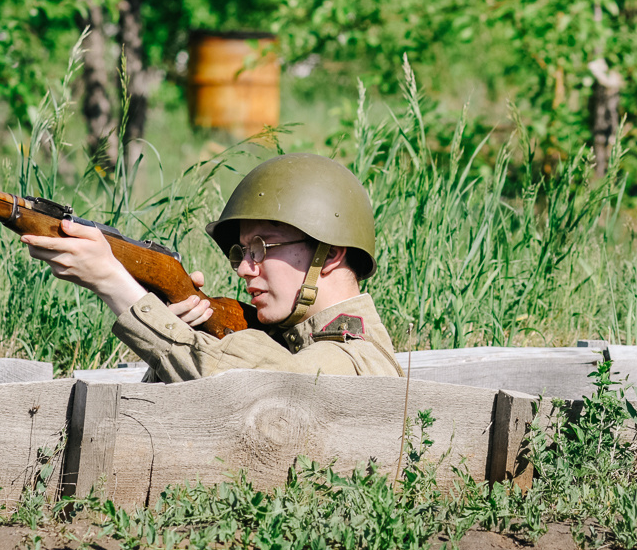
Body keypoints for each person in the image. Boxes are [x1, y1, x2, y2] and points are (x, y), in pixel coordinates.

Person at [23, 153, 400, 381]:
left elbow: (247, 387)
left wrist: (114, 284)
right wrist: (186, 329)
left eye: (262, 248)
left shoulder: (354, 358)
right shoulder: (291, 345)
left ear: (330, 254)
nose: (244, 269)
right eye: (242, 251)